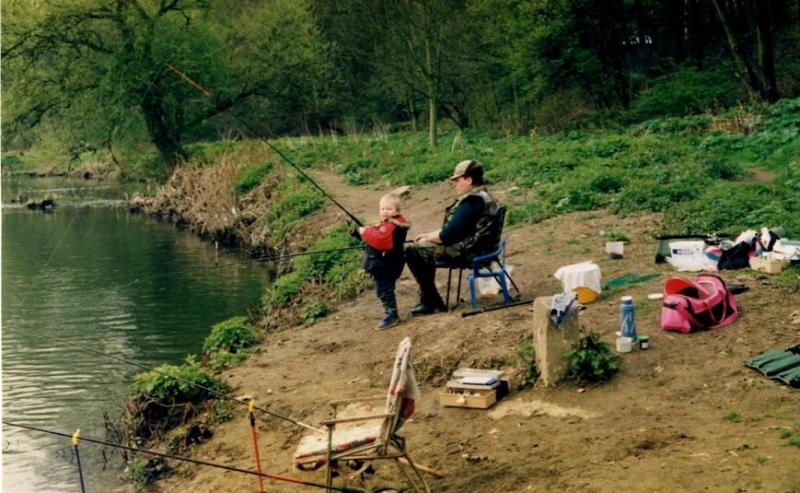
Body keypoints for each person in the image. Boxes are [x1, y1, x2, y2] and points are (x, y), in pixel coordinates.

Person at [405, 159, 501, 316]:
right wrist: (428, 235)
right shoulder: (484, 196)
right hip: (483, 248)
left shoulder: (472, 201)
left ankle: (431, 301)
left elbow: (447, 236)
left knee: (413, 252)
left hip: (470, 252)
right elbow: (455, 230)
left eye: (457, 180)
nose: (455, 184)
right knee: (422, 248)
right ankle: (430, 299)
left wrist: (428, 239)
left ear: (469, 180)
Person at [353, 194, 410, 330]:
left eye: (389, 209)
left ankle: (391, 314)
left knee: (384, 290)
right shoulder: (392, 224)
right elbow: (376, 234)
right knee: (386, 288)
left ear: (397, 211)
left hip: (386, 265)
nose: (385, 211)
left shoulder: (390, 226)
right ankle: (391, 312)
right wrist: (360, 233)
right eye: (382, 209)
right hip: (390, 263)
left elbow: (381, 241)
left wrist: (363, 231)